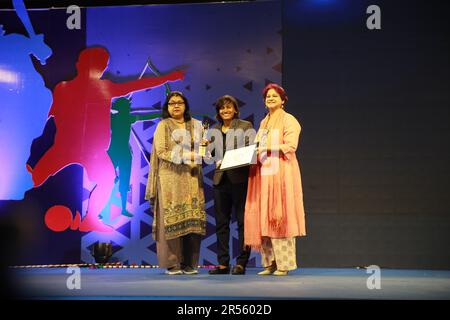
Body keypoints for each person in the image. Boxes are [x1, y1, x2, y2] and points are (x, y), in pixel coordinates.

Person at [29, 47, 184, 232]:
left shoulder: (88, 87)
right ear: (80, 65)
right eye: (99, 64)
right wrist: (167, 78)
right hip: (68, 147)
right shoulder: (68, 88)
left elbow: (136, 86)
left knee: (106, 178)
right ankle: (29, 191)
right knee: (36, 176)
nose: (101, 68)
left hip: (90, 151)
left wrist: (166, 78)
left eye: (102, 64)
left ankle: (91, 219)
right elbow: (45, 116)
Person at [244, 83, 306, 276]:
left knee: (280, 215)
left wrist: (266, 149)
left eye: (274, 96)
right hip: (265, 172)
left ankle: (284, 265)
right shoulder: (264, 122)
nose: (270, 99)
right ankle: (270, 263)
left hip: (283, 173)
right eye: (267, 96)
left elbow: (291, 146)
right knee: (265, 217)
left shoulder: (289, 120)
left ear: (283, 100)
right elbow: (259, 146)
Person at [145, 91, 206, 275]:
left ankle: (189, 263)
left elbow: (203, 150)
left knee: (192, 220)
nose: (176, 106)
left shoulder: (196, 124)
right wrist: (186, 156)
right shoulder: (163, 126)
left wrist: (205, 147)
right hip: (170, 179)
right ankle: (172, 263)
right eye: (172, 103)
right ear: (167, 107)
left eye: (180, 102)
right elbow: (162, 152)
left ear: (185, 105)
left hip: (192, 178)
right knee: (170, 220)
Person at [206, 95, 254, 275]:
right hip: (220, 181)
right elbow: (208, 156)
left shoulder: (245, 126)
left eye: (229, 107)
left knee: (243, 222)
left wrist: (227, 159)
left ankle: (241, 262)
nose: (225, 110)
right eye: (222, 108)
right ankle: (223, 263)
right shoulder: (213, 129)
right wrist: (206, 148)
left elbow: (250, 150)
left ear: (235, 109)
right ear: (218, 112)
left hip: (240, 179)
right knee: (221, 223)